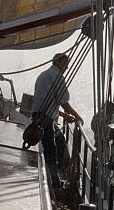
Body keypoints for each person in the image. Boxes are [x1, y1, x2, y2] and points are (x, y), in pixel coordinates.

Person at [32, 52, 83, 189]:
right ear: (59, 62)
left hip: (41, 116)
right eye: (66, 65)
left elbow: (46, 103)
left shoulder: (44, 75)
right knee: (51, 149)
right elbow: (64, 102)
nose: (67, 68)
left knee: (60, 143)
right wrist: (78, 117)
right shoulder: (57, 76)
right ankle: (53, 182)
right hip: (45, 119)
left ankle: (54, 177)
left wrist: (63, 115)